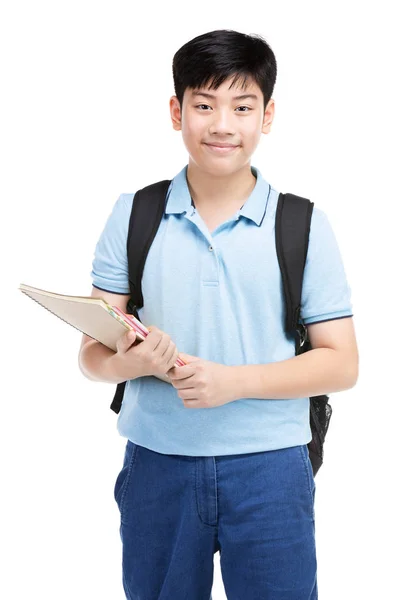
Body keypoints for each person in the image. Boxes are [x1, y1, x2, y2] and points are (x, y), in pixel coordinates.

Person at [78, 29, 359, 600]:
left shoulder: (303, 224)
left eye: (242, 106)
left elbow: (342, 365)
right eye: (203, 105)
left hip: (272, 468)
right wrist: (129, 364)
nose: (222, 124)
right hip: (157, 464)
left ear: (268, 115)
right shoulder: (135, 213)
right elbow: (92, 356)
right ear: (177, 110)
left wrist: (233, 383)